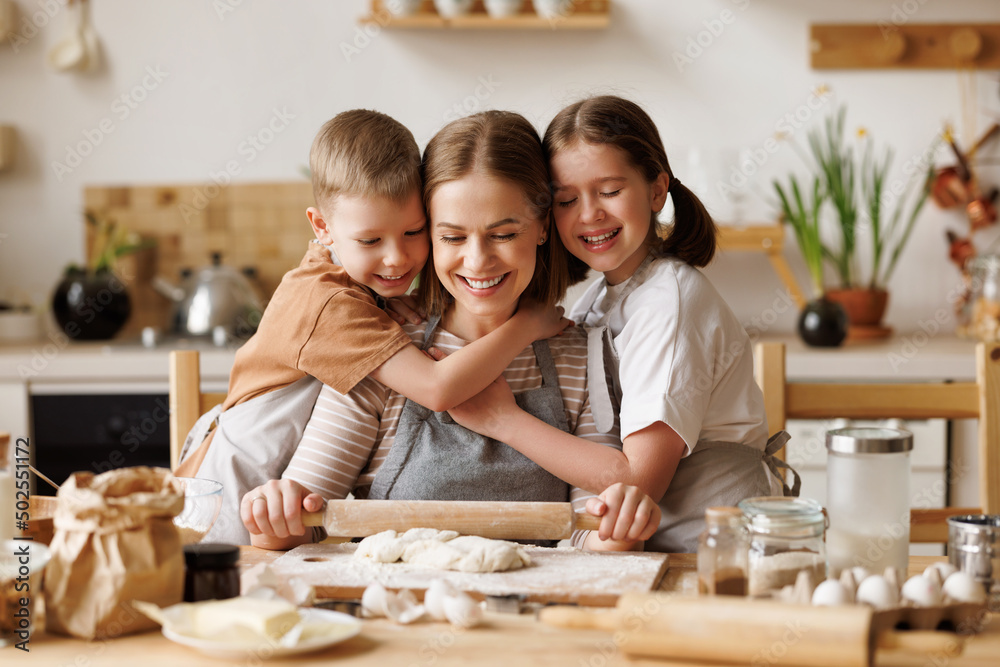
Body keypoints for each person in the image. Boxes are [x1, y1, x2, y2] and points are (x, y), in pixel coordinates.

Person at [241, 110, 661, 552]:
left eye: (502, 234)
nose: (478, 261)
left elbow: (588, 538)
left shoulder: (578, 356)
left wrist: (618, 529)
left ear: (541, 226)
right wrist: (275, 514)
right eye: (453, 237)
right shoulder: (385, 351)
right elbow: (304, 525)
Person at [176, 109, 569, 544]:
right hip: (233, 490)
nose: (397, 258)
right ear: (322, 227)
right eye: (370, 241)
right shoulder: (328, 303)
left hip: (280, 495)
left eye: (413, 232)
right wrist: (526, 325)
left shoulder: (362, 287)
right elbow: (438, 389)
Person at [446, 96, 797, 553]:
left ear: (656, 190)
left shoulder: (669, 302)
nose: (589, 214)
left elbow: (638, 479)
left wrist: (502, 420)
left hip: (714, 556)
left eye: (609, 191)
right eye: (566, 199)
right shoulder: (601, 296)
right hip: (645, 553)